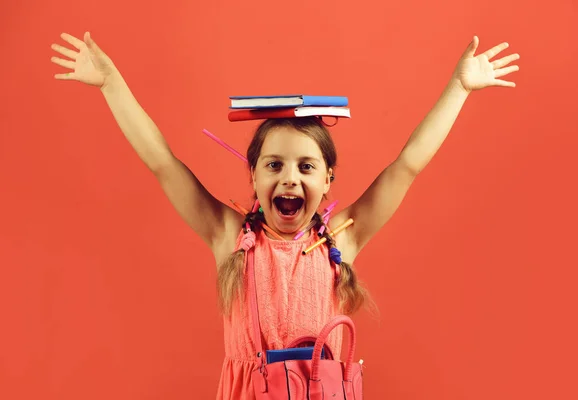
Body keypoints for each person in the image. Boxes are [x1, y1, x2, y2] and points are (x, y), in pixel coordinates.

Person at [50, 31, 520, 399]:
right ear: (253, 176)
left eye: (306, 167)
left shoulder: (342, 237)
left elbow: (407, 166)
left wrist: (459, 89)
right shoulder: (228, 234)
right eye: (274, 165)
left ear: (328, 180)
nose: (290, 179)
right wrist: (112, 84)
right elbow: (162, 163)